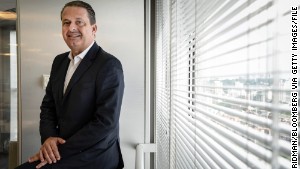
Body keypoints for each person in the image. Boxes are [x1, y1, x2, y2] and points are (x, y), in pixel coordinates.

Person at [15, 1, 124, 168]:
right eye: (66, 23)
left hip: (94, 156)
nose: (71, 28)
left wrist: (55, 151)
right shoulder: (59, 62)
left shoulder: (109, 65)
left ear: (93, 29)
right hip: (62, 152)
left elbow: (105, 122)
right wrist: (48, 139)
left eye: (79, 22)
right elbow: (48, 106)